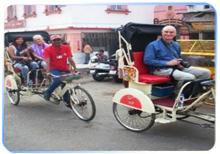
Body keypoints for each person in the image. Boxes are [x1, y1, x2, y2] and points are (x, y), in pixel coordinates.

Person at [144, 25, 211, 93]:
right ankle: (176, 94)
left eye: (171, 32)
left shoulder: (176, 45)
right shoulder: (152, 45)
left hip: (176, 67)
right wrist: (167, 63)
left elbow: (179, 57)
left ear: (175, 34)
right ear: (162, 33)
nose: (168, 34)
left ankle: (194, 92)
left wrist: (180, 64)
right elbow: (147, 60)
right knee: (189, 77)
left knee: (205, 72)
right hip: (161, 69)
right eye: (166, 32)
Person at [43, 34, 77, 108]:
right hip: (54, 69)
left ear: (60, 40)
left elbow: (70, 59)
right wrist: (48, 72)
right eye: (54, 40)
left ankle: (66, 100)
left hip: (65, 68)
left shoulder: (66, 48)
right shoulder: (47, 49)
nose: (57, 41)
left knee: (67, 83)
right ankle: (47, 92)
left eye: (58, 39)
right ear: (51, 41)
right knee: (57, 80)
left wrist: (75, 69)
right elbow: (47, 61)